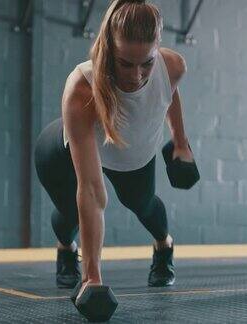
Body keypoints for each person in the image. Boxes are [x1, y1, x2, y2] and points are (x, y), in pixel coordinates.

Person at [34, 0, 193, 294]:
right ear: (109, 47)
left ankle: (163, 247)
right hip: (66, 148)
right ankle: (66, 249)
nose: (136, 75)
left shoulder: (173, 66)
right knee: (70, 211)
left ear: (157, 47)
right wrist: (92, 278)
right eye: (125, 64)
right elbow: (93, 191)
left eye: (147, 63)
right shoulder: (82, 85)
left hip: (131, 149)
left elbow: (168, 92)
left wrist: (181, 143)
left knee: (143, 204)